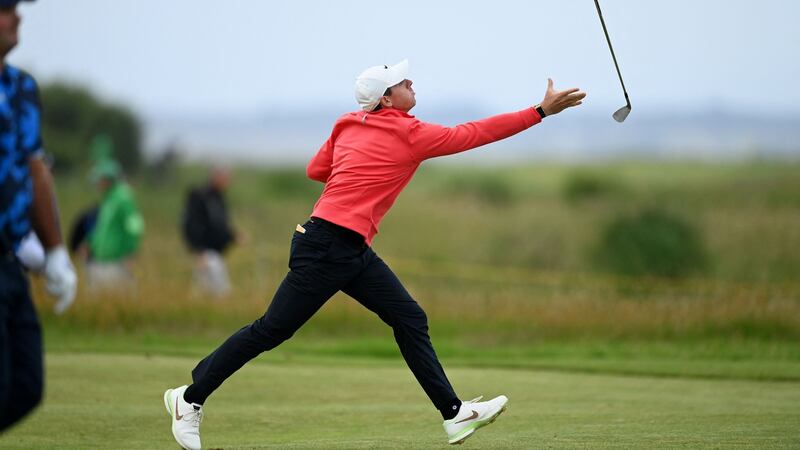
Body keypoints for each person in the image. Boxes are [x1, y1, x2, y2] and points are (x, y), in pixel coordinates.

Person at [163, 60, 585, 449]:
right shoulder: (410, 134)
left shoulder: (347, 124)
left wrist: (357, 165)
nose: (411, 83)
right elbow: (473, 133)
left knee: (409, 317)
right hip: (327, 246)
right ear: (387, 99)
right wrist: (540, 111)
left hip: (349, 247)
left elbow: (316, 170)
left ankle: (454, 415)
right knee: (271, 330)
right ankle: (190, 398)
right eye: (403, 83)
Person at [0, 0, 77, 431]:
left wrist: (53, 252)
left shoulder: (21, 87)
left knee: (26, 385)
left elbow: (35, 169)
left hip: (10, 262)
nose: (17, 16)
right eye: (5, 7)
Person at [85, 158, 144, 291]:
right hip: (100, 260)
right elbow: (104, 229)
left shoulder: (123, 198)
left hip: (116, 262)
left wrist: (130, 251)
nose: (97, 184)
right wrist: (91, 243)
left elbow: (134, 227)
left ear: (108, 179)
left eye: (99, 180)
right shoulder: (108, 199)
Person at [181, 166, 236, 298]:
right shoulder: (200, 196)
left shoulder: (219, 197)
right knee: (220, 292)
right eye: (225, 178)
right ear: (216, 177)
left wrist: (232, 237)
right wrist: (199, 250)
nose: (227, 182)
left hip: (216, 252)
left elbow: (220, 226)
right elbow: (191, 225)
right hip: (207, 253)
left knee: (206, 293)